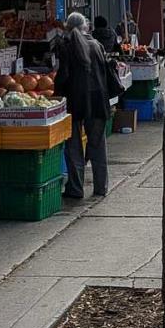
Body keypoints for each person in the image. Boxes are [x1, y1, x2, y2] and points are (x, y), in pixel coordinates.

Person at [55, 12, 117, 199]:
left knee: (73, 147)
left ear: (67, 28)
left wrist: (56, 93)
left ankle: (75, 189)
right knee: (98, 146)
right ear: (86, 27)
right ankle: (101, 187)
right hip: (97, 101)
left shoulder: (66, 47)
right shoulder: (97, 45)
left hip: (74, 102)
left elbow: (63, 76)